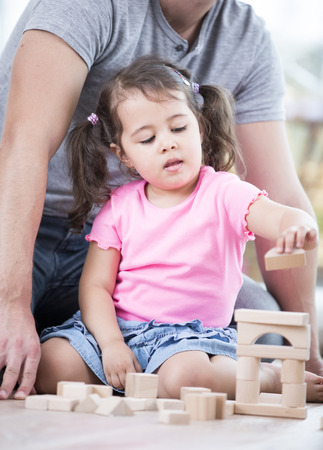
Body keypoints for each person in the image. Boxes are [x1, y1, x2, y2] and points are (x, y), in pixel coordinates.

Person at [0, 0, 321, 401]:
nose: (167, 144)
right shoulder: (122, 206)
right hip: (18, 222)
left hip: (166, 307)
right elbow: (23, 143)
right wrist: (10, 303)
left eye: (178, 127)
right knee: (36, 363)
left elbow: (279, 203)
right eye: (148, 138)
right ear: (122, 153)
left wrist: (307, 352)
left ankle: (239, 374)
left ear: (200, 127)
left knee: (270, 332)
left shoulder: (221, 187)